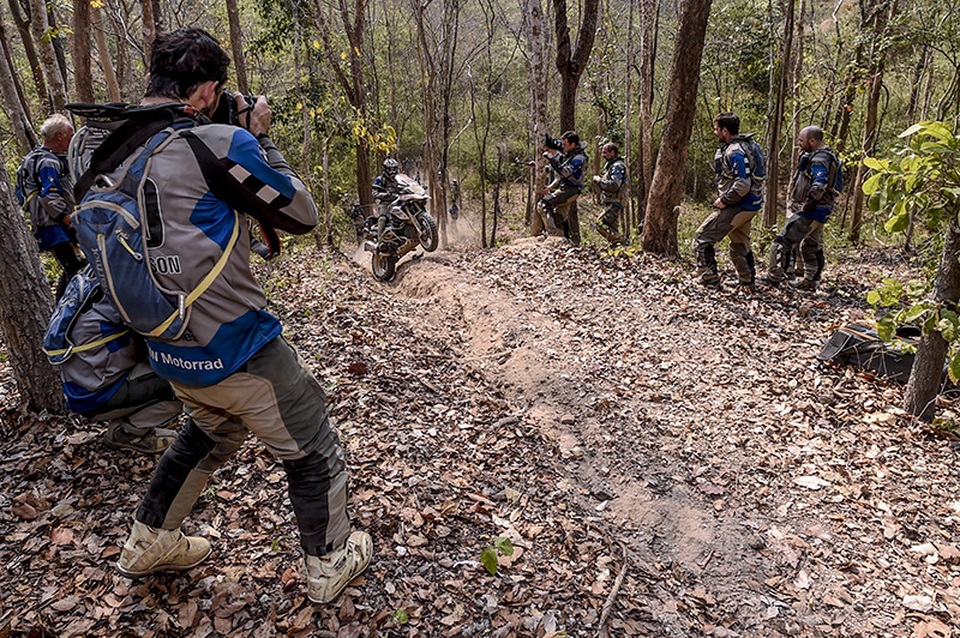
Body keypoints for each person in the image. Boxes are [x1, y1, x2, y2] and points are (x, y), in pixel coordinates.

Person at [92, 28, 370, 604]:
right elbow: (300, 212)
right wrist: (259, 139)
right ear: (208, 90)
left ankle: (148, 542)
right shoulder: (217, 143)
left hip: (165, 345)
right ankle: (329, 562)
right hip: (237, 346)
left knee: (210, 429)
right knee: (311, 439)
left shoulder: (105, 148)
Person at [46, 266, 180, 454]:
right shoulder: (121, 292)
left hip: (84, 386)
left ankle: (128, 423)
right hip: (97, 394)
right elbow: (158, 336)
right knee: (183, 381)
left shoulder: (92, 278)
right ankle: (127, 433)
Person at [765, 126, 841, 291]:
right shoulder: (826, 154)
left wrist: (808, 205)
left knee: (782, 241)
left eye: (801, 140)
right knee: (810, 245)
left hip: (812, 210)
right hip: (821, 210)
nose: (799, 144)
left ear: (812, 141)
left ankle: (773, 278)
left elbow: (819, 186)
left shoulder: (819, 158)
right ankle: (810, 281)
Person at [16, 114, 85, 298]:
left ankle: (62, 307)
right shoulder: (48, 161)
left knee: (74, 268)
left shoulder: (34, 157)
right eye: (70, 136)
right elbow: (49, 197)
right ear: (60, 136)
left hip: (49, 225)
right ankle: (65, 312)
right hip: (54, 226)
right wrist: (70, 220)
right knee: (77, 269)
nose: (72, 140)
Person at [694, 112, 764, 288]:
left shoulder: (735, 152)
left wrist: (724, 200)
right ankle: (747, 281)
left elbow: (742, 183)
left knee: (702, 237)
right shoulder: (749, 146)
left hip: (738, 204)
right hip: (751, 204)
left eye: (716, 129)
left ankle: (709, 279)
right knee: (739, 243)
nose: (715, 132)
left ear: (725, 131)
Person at [540, 131, 588, 239]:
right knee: (559, 216)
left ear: (573, 145)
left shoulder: (579, 158)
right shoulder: (569, 153)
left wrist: (551, 159)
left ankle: (553, 235)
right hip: (566, 188)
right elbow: (553, 144)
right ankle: (565, 238)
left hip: (570, 190)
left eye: (565, 144)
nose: (563, 146)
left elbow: (565, 172)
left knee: (543, 204)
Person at [592, 142, 626, 245]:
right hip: (611, 201)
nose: (603, 155)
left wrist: (599, 181)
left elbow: (614, 185)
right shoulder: (612, 166)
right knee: (612, 228)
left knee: (599, 224)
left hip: (615, 202)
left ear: (613, 152)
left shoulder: (617, 166)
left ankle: (622, 241)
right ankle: (618, 248)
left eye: (605, 152)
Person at [371, 158, 403, 237]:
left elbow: (409, 184)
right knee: (383, 219)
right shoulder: (380, 180)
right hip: (386, 203)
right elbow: (374, 193)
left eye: (394, 169)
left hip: (400, 201)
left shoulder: (400, 178)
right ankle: (379, 240)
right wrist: (384, 195)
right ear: (385, 169)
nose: (392, 172)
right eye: (390, 169)